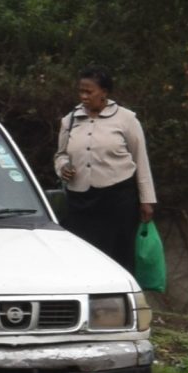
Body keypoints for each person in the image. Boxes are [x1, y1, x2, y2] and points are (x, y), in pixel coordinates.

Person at [52, 67, 156, 277]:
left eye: (89, 92)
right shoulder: (70, 120)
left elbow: (140, 159)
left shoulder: (126, 119)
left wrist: (147, 199)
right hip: (80, 201)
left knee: (119, 254)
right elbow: (60, 154)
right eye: (81, 91)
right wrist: (62, 168)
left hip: (118, 199)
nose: (84, 96)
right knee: (83, 252)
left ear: (104, 92)